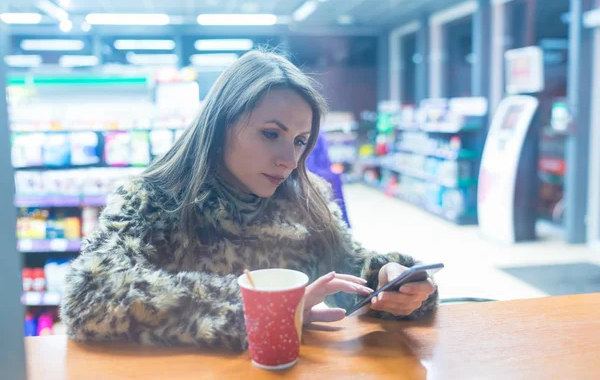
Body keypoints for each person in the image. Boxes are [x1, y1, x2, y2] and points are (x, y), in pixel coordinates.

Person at [60, 50, 437, 351]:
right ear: (221, 124)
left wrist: (393, 281)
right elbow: (88, 297)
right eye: (271, 134)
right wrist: (267, 310)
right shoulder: (151, 199)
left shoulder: (306, 199)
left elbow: (350, 266)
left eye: (300, 141)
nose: (289, 161)